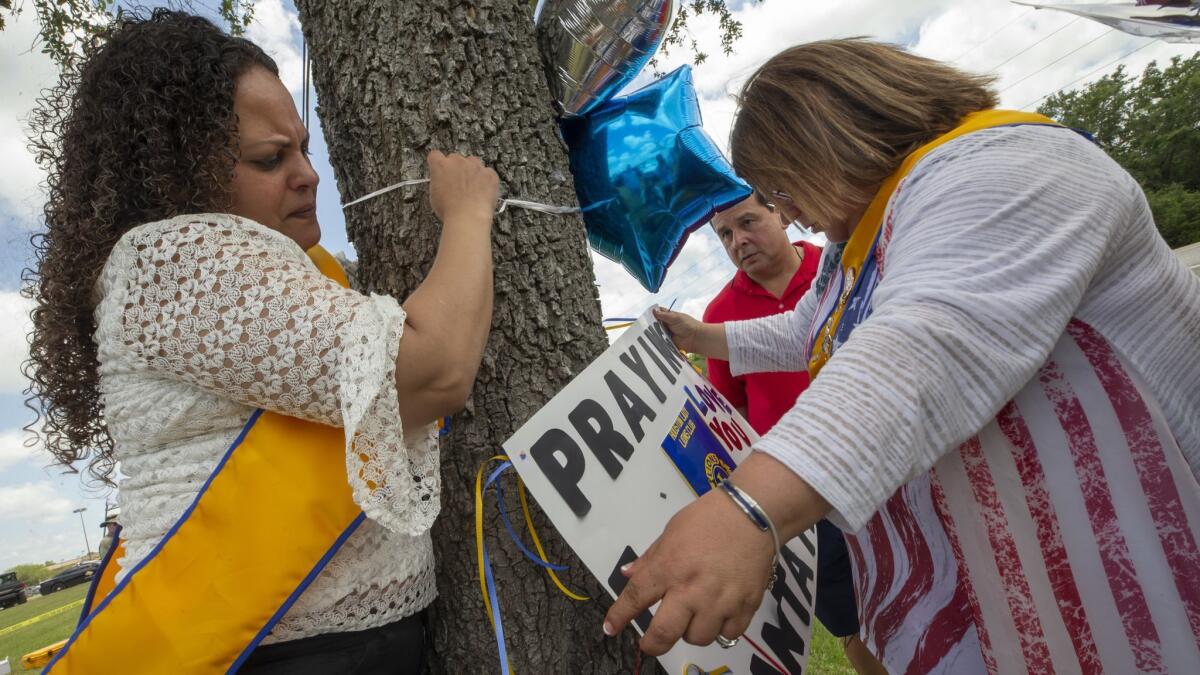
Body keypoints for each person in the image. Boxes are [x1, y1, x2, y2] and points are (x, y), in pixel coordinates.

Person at [604, 39, 1200, 673]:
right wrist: (699, 337)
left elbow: (922, 342)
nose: (792, 216)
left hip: (1135, 570)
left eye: (782, 188)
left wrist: (748, 509)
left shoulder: (1002, 163)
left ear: (826, 139)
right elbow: (806, 332)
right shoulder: (860, 240)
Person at [25, 10, 497, 673]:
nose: (309, 175)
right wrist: (471, 214)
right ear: (178, 171)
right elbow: (432, 369)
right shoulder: (174, 260)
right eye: (271, 158)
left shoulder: (268, 274)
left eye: (302, 149)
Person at [705, 195, 884, 674]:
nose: (738, 241)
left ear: (780, 214)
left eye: (747, 222)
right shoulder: (718, 311)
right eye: (725, 234)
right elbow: (729, 412)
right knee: (852, 620)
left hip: (881, 468)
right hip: (800, 493)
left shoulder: (836, 266)